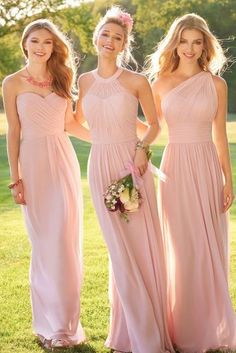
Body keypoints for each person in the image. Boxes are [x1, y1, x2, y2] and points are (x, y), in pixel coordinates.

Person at [75, 6, 174, 353]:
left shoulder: (136, 81)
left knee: (139, 248)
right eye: (105, 34)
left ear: (124, 45)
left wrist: (141, 149)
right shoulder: (84, 81)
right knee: (118, 251)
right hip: (99, 166)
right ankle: (128, 333)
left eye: (118, 38)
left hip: (131, 168)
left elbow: (155, 126)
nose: (110, 41)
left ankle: (148, 336)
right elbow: (76, 125)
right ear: (96, 37)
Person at [148, 13, 236, 352]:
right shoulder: (160, 84)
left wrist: (228, 180)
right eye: (183, 41)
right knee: (182, 248)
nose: (189, 48)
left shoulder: (216, 84)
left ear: (205, 46)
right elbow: (152, 129)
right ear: (175, 43)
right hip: (174, 169)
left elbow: (220, 137)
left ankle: (210, 327)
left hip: (205, 166)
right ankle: (183, 328)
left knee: (208, 246)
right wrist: (135, 150)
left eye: (197, 42)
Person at [2, 19, 88, 349]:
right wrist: (15, 179)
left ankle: (65, 327)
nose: (41, 47)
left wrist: (110, 140)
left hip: (62, 161)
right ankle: (46, 324)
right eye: (35, 41)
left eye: (48, 43)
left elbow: (69, 124)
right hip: (33, 164)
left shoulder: (62, 78)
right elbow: (14, 132)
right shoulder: (12, 83)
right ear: (25, 44)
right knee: (44, 244)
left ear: (54, 47)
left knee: (65, 241)